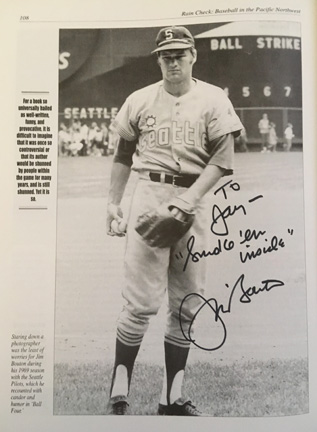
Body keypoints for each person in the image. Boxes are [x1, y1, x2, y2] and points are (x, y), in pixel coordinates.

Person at [106, 26, 243, 416]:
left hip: (195, 202)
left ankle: (172, 398)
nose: (173, 60)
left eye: (179, 53)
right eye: (166, 55)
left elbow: (223, 161)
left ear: (193, 55)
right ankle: (120, 390)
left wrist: (188, 200)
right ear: (159, 59)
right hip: (148, 195)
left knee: (186, 305)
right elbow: (122, 154)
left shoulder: (214, 99)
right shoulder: (139, 100)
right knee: (140, 302)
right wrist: (113, 203)